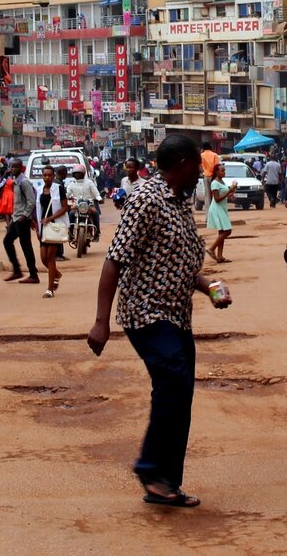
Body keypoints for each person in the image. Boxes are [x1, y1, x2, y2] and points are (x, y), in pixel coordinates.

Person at [87, 135, 232, 509]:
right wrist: (101, 322)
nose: (200, 172)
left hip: (176, 314)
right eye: (197, 165)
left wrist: (210, 287)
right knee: (173, 384)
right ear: (183, 163)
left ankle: (166, 481)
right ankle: (152, 471)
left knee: (180, 392)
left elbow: (180, 266)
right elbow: (114, 260)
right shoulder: (146, 199)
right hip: (146, 313)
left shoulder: (180, 203)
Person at [2, 159, 40, 284]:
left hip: (22, 219)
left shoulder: (24, 182)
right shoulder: (16, 182)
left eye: (16, 167)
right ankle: (17, 270)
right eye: (12, 167)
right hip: (16, 218)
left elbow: (31, 201)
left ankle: (33, 274)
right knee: (7, 241)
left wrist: (25, 215)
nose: (13, 169)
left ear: (21, 168)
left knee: (26, 246)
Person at [36, 165, 68, 298]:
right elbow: (37, 209)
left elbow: (65, 208)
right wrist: (38, 226)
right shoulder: (39, 190)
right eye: (45, 175)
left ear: (53, 176)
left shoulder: (59, 189)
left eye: (50, 175)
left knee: (50, 257)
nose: (47, 177)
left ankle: (50, 289)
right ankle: (57, 274)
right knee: (43, 258)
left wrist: (50, 218)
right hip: (43, 228)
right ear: (42, 176)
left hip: (56, 227)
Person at [205, 163, 235, 263]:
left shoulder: (222, 181)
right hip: (217, 208)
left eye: (224, 170)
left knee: (222, 232)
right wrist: (228, 192)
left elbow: (224, 194)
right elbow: (217, 199)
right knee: (227, 231)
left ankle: (219, 256)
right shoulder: (214, 183)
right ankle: (211, 249)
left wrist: (231, 193)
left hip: (222, 208)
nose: (224, 172)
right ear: (216, 172)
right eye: (222, 170)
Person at [66, 163, 102, 242]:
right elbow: (67, 193)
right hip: (76, 205)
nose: (77, 175)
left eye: (79, 173)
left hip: (89, 205)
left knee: (96, 213)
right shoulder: (71, 184)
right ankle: (70, 233)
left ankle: (96, 234)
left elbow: (96, 194)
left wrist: (99, 198)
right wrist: (64, 197)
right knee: (71, 214)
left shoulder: (89, 182)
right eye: (75, 173)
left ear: (83, 174)